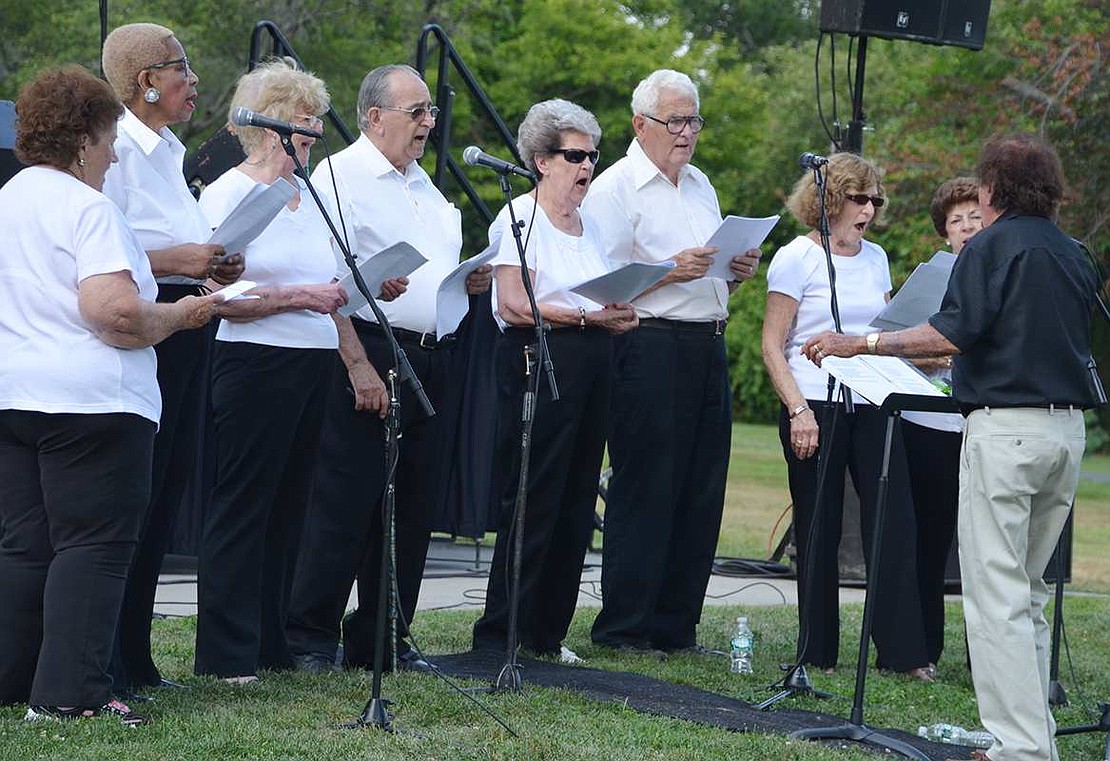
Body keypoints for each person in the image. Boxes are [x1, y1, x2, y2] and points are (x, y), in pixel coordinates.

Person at [805, 133, 1097, 761]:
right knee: (1030, 590)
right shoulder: (1075, 253)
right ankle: (1034, 738)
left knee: (995, 597)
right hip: (1066, 433)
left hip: (1007, 429)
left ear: (991, 191)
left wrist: (863, 344)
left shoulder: (991, 246)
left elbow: (952, 330)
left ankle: (1020, 749)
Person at [0, 66, 218, 724]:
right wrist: (181, 317)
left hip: (15, 396)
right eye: (109, 137)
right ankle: (71, 695)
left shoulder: (8, 200)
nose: (116, 151)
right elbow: (118, 315)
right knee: (91, 544)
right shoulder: (89, 208)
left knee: (24, 547)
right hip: (93, 403)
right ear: (83, 139)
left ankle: (14, 681)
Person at [285, 64, 490, 674]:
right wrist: (355, 363)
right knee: (344, 498)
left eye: (430, 112)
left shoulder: (426, 187)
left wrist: (466, 282)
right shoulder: (340, 178)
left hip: (434, 352)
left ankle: (384, 634)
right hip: (369, 347)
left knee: (414, 504)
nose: (429, 122)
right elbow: (326, 282)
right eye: (416, 111)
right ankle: (310, 635)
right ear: (374, 117)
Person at [584, 69, 760, 655]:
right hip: (649, 344)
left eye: (694, 121)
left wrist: (732, 270)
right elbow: (602, 288)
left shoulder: (702, 185)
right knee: (647, 485)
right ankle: (625, 627)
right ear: (641, 125)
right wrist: (669, 270)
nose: (686, 133)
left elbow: (705, 271)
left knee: (701, 487)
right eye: (675, 121)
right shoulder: (615, 189)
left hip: (706, 339)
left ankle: (675, 625)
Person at [191, 60, 350, 682]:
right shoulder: (229, 190)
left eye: (316, 120)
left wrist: (364, 288)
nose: (313, 131)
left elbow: (327, 277)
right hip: (255, 360)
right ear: (268, 124)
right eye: (303, 120)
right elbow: (218, 294)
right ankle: (226, 652)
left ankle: (269, 643)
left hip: (311, 361)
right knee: (244, 505)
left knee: (291, 505)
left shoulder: (308, 194)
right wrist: (300, 297)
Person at [101, 22, 243, 696]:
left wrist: (214, 257)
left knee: (166, 493)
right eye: (178, 67)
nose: (192, 79)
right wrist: (182, 259)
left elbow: (180, 242)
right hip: (145, 330)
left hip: (190, 322)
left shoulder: (170, 150)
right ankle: (107, 651)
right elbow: (105, 244)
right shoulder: (116, 151)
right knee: (138, 489)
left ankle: (136, 649)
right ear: (144, 81)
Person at [470, 98, 639, 664]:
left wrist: (619, 308)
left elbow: (590, 294)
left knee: (574, 497)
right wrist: (590, 316)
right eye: (575, 156)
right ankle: (503, 630)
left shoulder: (589, 226)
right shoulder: (519, 217)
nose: (587, 166)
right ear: (542, 160)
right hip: (537, 360)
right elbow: (515, 304)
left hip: (592, 362)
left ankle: (547, 631)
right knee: (533, 495)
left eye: (593, 155)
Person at [760, 152, 933, 679]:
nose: (869, 210)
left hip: (874, 403)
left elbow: (880, 332)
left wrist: (924, 354)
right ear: (830, 199)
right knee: (819, 526)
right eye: (859, 198)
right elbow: (772, 344)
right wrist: (798, 410)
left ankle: (902, 654)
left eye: (875, 200)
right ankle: (817, 650)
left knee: (893, 524)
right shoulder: (796, 257)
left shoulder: (877, 257)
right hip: (814, 402)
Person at [901, 177, 982, 668]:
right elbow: (897, 338)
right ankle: (924, 649)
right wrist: (929, 356)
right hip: (928, 424)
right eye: (957, 221)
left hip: (982, 425)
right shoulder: (931, 278)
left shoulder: (1002, 274)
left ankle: (986, 659)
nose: (968, 228)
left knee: (983, 550)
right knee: (928, 542)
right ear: (944, 234)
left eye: (976, 217)